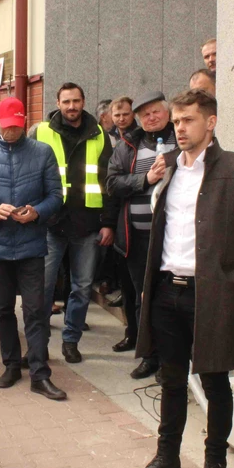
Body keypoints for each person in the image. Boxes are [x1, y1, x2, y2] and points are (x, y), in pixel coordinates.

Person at [128, 90, 234, 468]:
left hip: (215, 294)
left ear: (211, 122)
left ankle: (215, 465)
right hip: (167, 290)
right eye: (176, 122)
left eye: (188, 120)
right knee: (170, 378)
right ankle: (167, 458)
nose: (180, 128)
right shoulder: (167, 166)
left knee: (214, 379)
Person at [0, 97, 66, 400]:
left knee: (35, 311)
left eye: (17, 127)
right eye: (7, 127)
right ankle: (10, 364)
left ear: (23, 122)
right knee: (4, 310)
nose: (11, 132)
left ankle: (39, 374)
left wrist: (37, 211)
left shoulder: (42, 152)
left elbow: (55, 196)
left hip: (32, 245)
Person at [33, 83, 115, 363]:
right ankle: (38, 343)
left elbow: (108, 182)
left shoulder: (100, 134)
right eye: (66, 101)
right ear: (57, 102)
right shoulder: (41, 132)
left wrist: (108, 222)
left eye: (76, 101)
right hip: (50, 223)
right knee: (43, 288)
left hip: (87, 224)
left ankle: (71, 340)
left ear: (83, 102)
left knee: (81, 288)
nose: (71, 106)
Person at [106, 90, 177, 380]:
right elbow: (111, 183)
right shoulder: (127, 145)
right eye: (144, 114)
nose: (150, 118)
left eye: (156, 112)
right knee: (141, 298)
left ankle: (171, 361)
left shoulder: (181, 141)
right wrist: (145, 179)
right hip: (136, 237)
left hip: (174, 238)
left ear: (168, 112)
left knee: (172, 300)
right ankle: (150, 357)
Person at [107, 96, 141, 353]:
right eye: (117, 115)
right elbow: (111, 184)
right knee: (128, 288)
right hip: (121, 225)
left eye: (126, 114)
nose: (121, 119)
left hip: (142, 223)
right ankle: (132, 334)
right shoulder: (109, 140)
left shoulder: (141, 139)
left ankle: (145, 340)